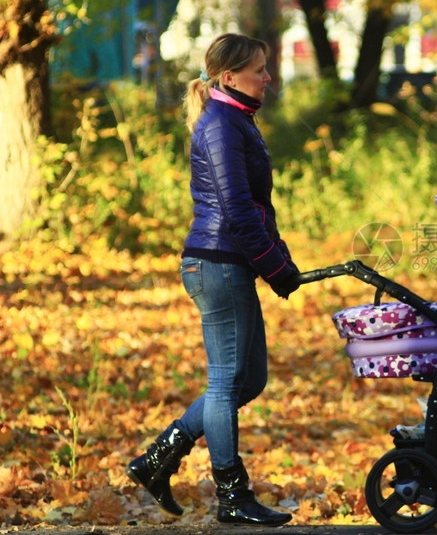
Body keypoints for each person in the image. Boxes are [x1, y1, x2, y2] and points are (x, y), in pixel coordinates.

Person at [126, 33, 300, 526]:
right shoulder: (221, 124)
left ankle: (160, 457)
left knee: (251, 380)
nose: (268, 77)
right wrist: (273, 265)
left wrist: (278, 258)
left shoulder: (236, 120)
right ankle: (232, 495)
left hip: (230, 261)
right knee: (226, 382)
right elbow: (237, 211)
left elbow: (258, 208)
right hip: (216, 263)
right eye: (260, 69)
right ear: (230, 77)